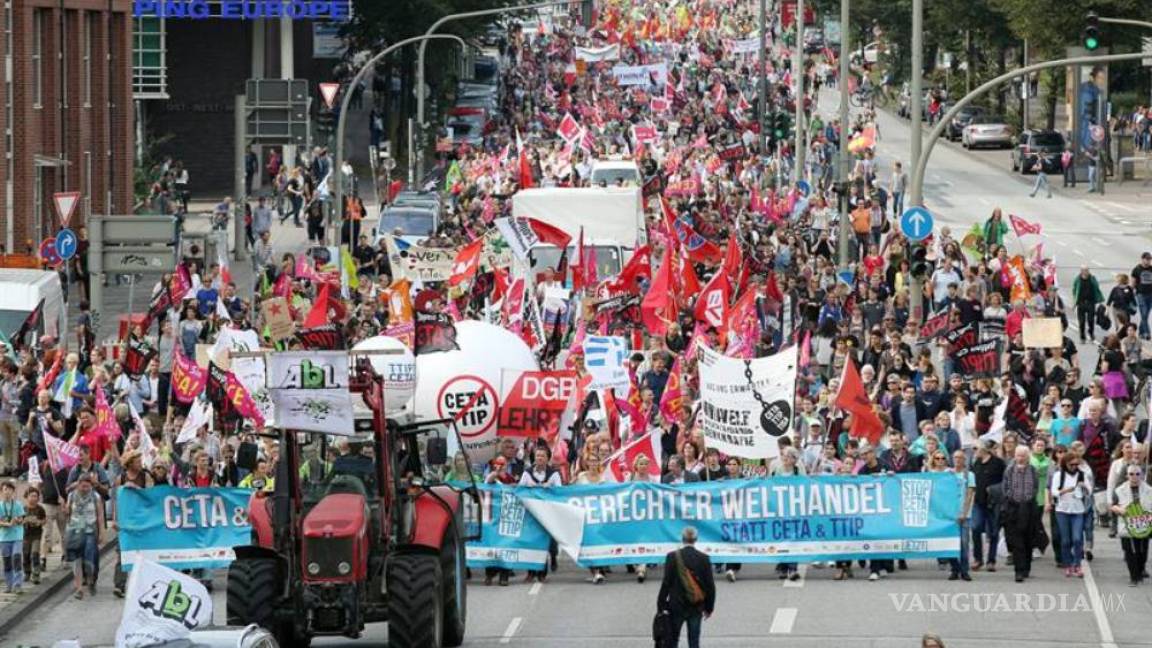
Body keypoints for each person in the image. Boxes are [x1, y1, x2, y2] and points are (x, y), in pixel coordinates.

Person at [657, 527, 715, 648]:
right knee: (694, 640)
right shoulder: (704, 558)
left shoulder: (672, 557)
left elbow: (666, 583)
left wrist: (661, 605)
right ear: (696, 539)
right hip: (696, 605)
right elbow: (710, 585)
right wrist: (709, 608)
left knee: (673, 639)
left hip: (676, 606)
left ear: (682, 539)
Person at [1001, 446, 1040, 582]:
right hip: (1014, 508)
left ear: (1027, 457)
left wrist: (1029, 499)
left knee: (1028, 539)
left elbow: (1036, 487)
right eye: (1018, 455)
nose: (1021, 458)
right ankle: (1019, 570)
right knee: (1016, 541)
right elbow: (1005, 487)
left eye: (1023, 455)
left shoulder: (1033, 470)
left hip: (1029, 508)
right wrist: (1011, 498)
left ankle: (1026, 567)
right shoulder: (1010, 470)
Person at [64, 473, 105, 598]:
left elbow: (100, 515)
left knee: (89, 557)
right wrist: (64, 508)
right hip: (75, 530)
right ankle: (79, 589)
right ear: (78, 485)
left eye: (88, 486)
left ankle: (90, 579)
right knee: (76, 560)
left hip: (89, 531)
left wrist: (102, 532)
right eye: (83, 486)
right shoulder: (71, 496)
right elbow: (68, 513)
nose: (85, 489)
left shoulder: (95, 496)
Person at [1110, 464, 1152, 586]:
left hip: (1144, 524)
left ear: (1142, 475)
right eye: (1131, 474)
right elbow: (1113, 505)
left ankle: (1140, 570)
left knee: (1142, 551)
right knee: (1129, 551)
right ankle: (1134, 577)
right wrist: (1119, 510)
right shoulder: (1119, 490)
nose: (1134, 477)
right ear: (1127, 476)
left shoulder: (1149, 490)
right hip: (1126, 523)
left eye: (1137, 474)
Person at [1051, 452, 1090, 578]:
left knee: (1077, 539)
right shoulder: (1058, 475)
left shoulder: (1082, 475)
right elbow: (1054, 492)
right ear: (1065, 464)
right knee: (1066, 540)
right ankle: (1068, 564)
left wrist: (1084, 487)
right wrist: (1066, 490)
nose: (1074, 467)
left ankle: (1077, 564)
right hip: (1062, 510)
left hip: (1078, 510)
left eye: (1076, 464)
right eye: (1071, 464)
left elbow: (1089, 492)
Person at [0, 480, 25, 593]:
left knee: (16, 558)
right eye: (5, 490)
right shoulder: (0, 505)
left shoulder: (18, 504)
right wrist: (7, 524)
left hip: (17, 536)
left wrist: (18, 520)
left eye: (10, 490)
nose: (7, 492)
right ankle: (9, 584)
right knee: (7, 561)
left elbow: (22, 518)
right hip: (4, 537)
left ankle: (18, 584)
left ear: (13, 491)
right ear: (2, 492)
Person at [1072, 265, 1104, 342]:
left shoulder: (1092, 278)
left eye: (1087, 270)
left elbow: (1097, 288)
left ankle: (1091, 333)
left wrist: (1099, 299)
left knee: (1090, 320)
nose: (1086, 272)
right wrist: (1075, 302)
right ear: (1081, 271)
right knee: (1081, 321)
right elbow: (1074, 290)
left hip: (1090, 302)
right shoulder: (1077, 279)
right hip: (1081, 303)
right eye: (1085, 270)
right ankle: (1082, 336)